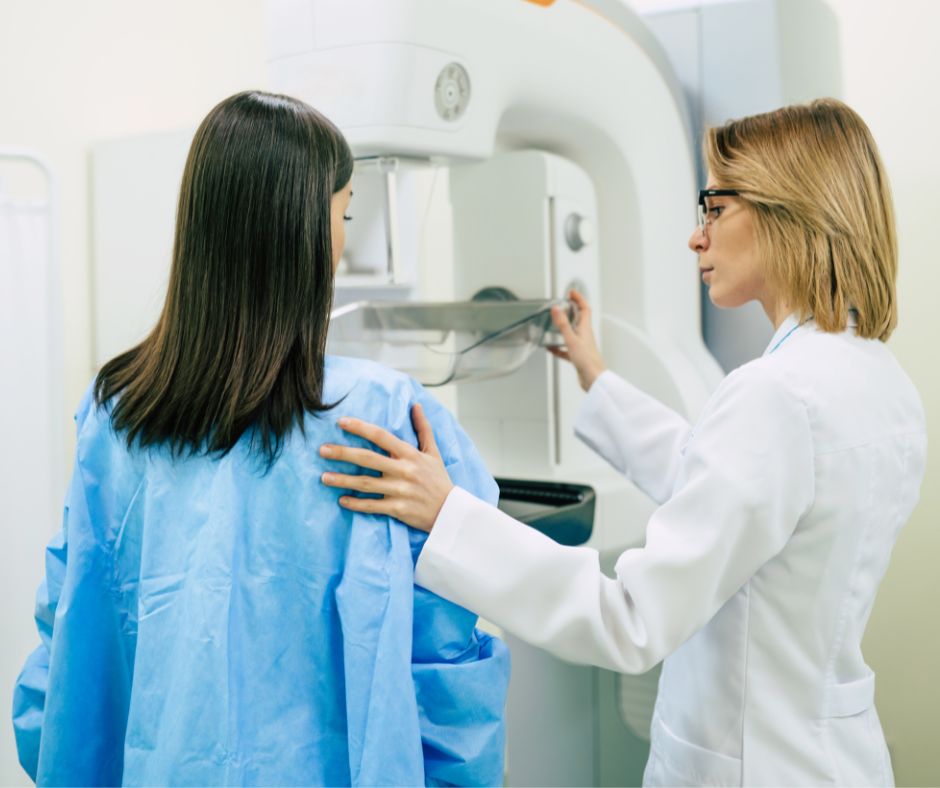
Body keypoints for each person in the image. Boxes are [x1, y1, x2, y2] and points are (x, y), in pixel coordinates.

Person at [319, 98, 927, 786]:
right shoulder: (877, 380)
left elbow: (630, 619)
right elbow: (732, 491)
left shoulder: (776, 396)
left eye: (715, 208)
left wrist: (449, 516)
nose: (696, 238)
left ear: (787, 210)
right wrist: (596, 378)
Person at [13, 91, 509, 787]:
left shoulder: (118, 411)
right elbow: (445, 657)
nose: (342, 239)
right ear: (302, 233)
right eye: (344, 216)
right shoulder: (381, 416)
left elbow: (66, 647)